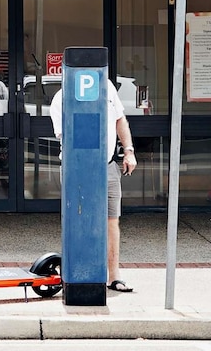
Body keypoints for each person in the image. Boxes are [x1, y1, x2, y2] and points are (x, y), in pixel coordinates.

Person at [50, 77, 137, 293]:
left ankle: (114, 276)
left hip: (107, 166)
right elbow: (71, 137)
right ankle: (80, 274)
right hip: (77, 167)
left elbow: (120, 119)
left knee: (111, 221)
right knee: (78, 221)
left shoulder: (106, 88)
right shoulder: (61, 99)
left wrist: (128, 150)